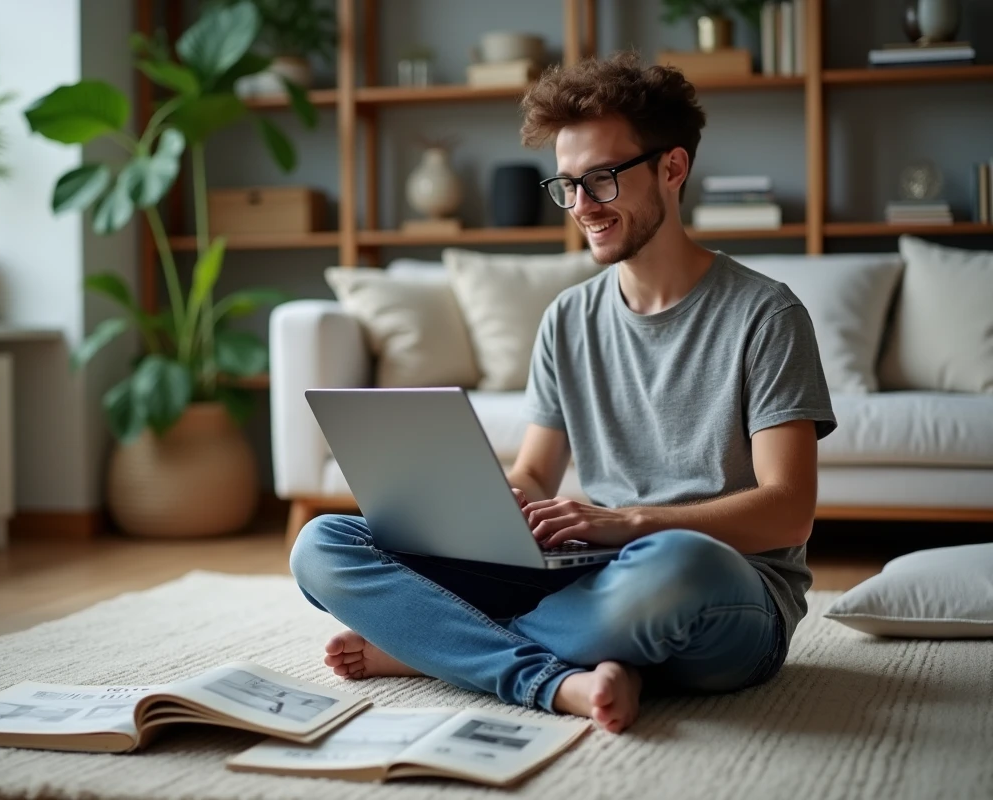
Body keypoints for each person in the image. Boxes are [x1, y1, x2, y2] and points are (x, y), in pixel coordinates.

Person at [289, 51, 836, 734]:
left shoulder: (767, 315)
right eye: (568, 185)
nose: (581, 207)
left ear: (672, 169)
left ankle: (436, 647)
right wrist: (491, 505)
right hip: (585, 577)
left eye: (601, 180)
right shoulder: (568, 318)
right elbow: (534, 473)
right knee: (322, 544)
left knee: (675, 568)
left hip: (715, 590)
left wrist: (627, 522)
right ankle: (561, 676)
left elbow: (788, 513)